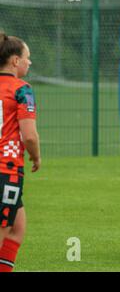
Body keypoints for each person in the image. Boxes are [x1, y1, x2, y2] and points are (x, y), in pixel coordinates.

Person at [0, 33, 40, 272]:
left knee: (17, 226)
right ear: (15, 61)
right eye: (27, 57)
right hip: (6, 169)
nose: (29, 62)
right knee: (3, 229)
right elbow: (29, 136)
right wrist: (36, 156)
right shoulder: (21, 90)